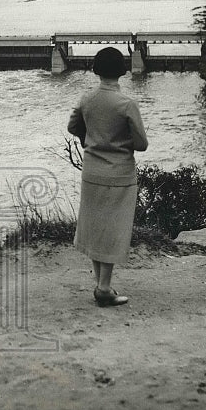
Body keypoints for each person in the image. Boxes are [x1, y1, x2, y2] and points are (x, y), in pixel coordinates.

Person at [67, 46, 149, 307]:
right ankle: (104, 287)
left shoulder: (86, 99)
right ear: (123, 71)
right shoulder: (126, 104)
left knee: (94, 227)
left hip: (92, 171)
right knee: (114, 229)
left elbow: (72, 126)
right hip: (120, 173)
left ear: (96, 70)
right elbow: (141, 143)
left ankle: (102, 285)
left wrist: (88, 140)